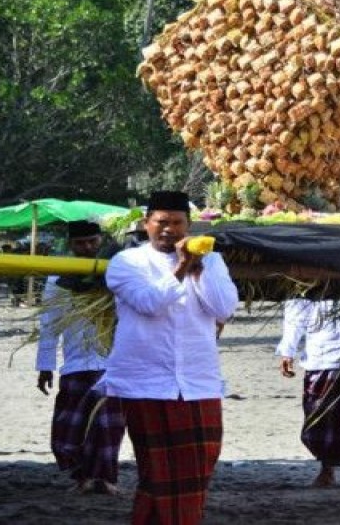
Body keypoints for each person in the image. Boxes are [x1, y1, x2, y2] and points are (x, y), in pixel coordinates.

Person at [99, 191, 239, 524]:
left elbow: (224, 309)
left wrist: (199, 269)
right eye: (161, 222)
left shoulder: (214, 262)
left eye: (177, 223)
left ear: (189, 227)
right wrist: (180, 268)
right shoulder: (126, 262)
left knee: (201, 464)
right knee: (158, 471)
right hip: (146, 382)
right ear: (146, 224)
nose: (169, 230)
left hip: (198, 381)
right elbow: (149, 303)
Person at [35, 219, 125, 495]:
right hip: (75, 364)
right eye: (80, 243)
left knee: (107, 425)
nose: (87, 247)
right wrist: (45, 366)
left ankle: (106, 478)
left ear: (101, 241)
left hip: (112, 362)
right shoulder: (57, 278)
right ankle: (83, 477)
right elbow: (49, 324)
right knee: (71, 427)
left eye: (92, 242)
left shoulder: (118, 273)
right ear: (70, 245)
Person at [276, 290, 340, 487]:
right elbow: (295, 312)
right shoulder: (307, 278)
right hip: (322, 352)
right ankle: (327, 471)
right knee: (321, 415)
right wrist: (287, 351)